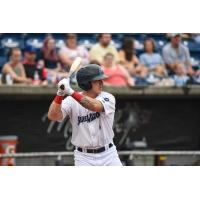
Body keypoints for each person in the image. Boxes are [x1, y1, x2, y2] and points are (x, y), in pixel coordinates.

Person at [48, 64, 122, 166]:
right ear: (86, 84)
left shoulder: (108, 97)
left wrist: (70, 91)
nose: (101, 83)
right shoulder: (70, 101)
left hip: (109, 154)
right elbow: (53, 116)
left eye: (101, 80)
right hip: (83, 157)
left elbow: (94, 106)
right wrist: (59, 94)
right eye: (97, 80)